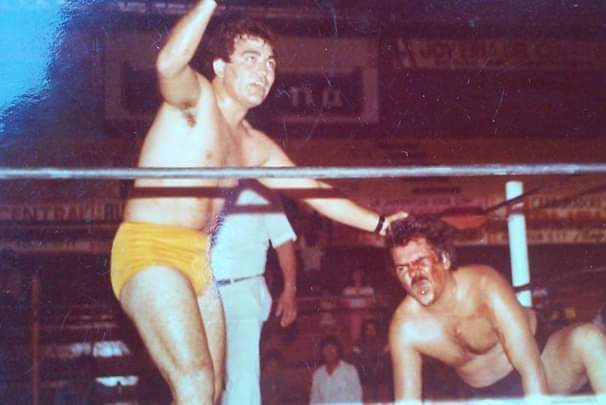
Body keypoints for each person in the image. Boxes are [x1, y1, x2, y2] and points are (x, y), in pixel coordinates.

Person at [109, 1, 403, 404]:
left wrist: (381, 225)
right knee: (195, 384)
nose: (263, 71)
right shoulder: (194, 99)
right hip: (149, 250)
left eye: (270, 63)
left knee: (212, 389)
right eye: (250, 58)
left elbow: (314, 190)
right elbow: (168, 65)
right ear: (220, 66)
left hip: (199, 261)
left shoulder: (254, 145)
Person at [385, 215, 606, 401]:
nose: (414, 275)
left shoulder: (485, 285)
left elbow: (530, 366)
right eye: (402, 268)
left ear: (445, 259)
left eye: (420, 262)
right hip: (487, 397)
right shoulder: (405, 327)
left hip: (543, 363)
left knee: (589, 338)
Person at [209, 180, 298, 404]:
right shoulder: (205, 183)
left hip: (243, 290)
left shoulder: (263, 190)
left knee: (242, 375)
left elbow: (283, 241)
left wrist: (289, 289)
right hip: (204, 291)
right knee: (207, 376)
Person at [310, 336, 363, 404]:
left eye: (332, 347)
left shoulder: (350, 370)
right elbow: (314, 400)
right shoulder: (318, 374)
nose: (329, 351)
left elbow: (357, 398)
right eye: (326, 348)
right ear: (322, 352)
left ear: (338, 350)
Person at [351, 319, 391, 402]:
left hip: (382, 379)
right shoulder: (358, 343)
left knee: (384, 401)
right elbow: (356, 361)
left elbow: (387, 359)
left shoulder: (384, 342)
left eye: (373, 328)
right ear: (364, 330)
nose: (370, 331)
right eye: (368, 329)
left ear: (377, 329)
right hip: (365, 380)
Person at [341, 268, 376, 342]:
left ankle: (371, 342)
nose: (357, 276)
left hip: (366, 311)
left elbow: (371, 304)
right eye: (355, 274)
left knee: (369, 319)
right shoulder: (347, 290)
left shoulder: (368, 289)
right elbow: (345, 305)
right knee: (355, 318)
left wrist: (364, 311)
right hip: (353, 313)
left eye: (359, 273)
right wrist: (354, 312)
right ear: (351, 275)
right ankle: (356, 344)